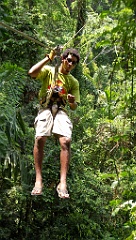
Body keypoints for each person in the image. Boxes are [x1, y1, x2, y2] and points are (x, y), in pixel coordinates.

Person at [28, 47, 80, 198]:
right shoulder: (50, 71)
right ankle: (39, 180)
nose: (70, 64)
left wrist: (71, 102)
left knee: (66, 141)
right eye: (69, 60)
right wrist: (48, 57)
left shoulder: (73, 81)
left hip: (62, 110)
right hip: (45, 108)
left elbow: (74, 106)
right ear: (63, 59)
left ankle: (62, 183)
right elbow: (32, 72)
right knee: (40, 138)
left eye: (74, 63)